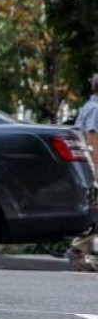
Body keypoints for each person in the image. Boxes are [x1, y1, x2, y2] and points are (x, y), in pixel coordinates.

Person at [66, 74, 98, 272]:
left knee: (94, 210)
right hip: (93, 165)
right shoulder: (95, 109)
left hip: (86, 165)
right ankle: (79, 250)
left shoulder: (88, 107)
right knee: (95, 210)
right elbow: (93, 138)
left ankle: (82, 252)